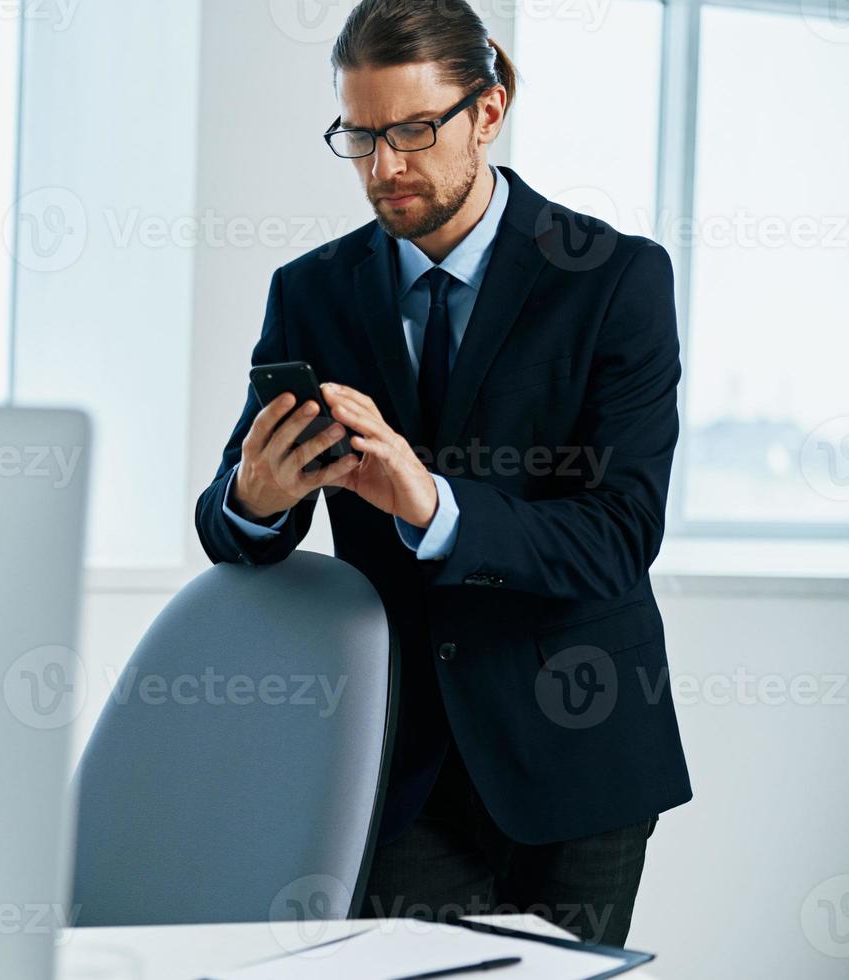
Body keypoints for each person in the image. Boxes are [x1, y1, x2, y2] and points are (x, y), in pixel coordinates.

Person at [193, 0, 691, 946]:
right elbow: (230, 520)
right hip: (402, 758)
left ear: (489, 112)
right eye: (361, 135)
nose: (386, 167)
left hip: (581, 744)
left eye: (414, 131)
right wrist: (255, 501)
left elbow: (621, 535)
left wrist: (434, 505)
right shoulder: (311, 292)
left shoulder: (615, 280)